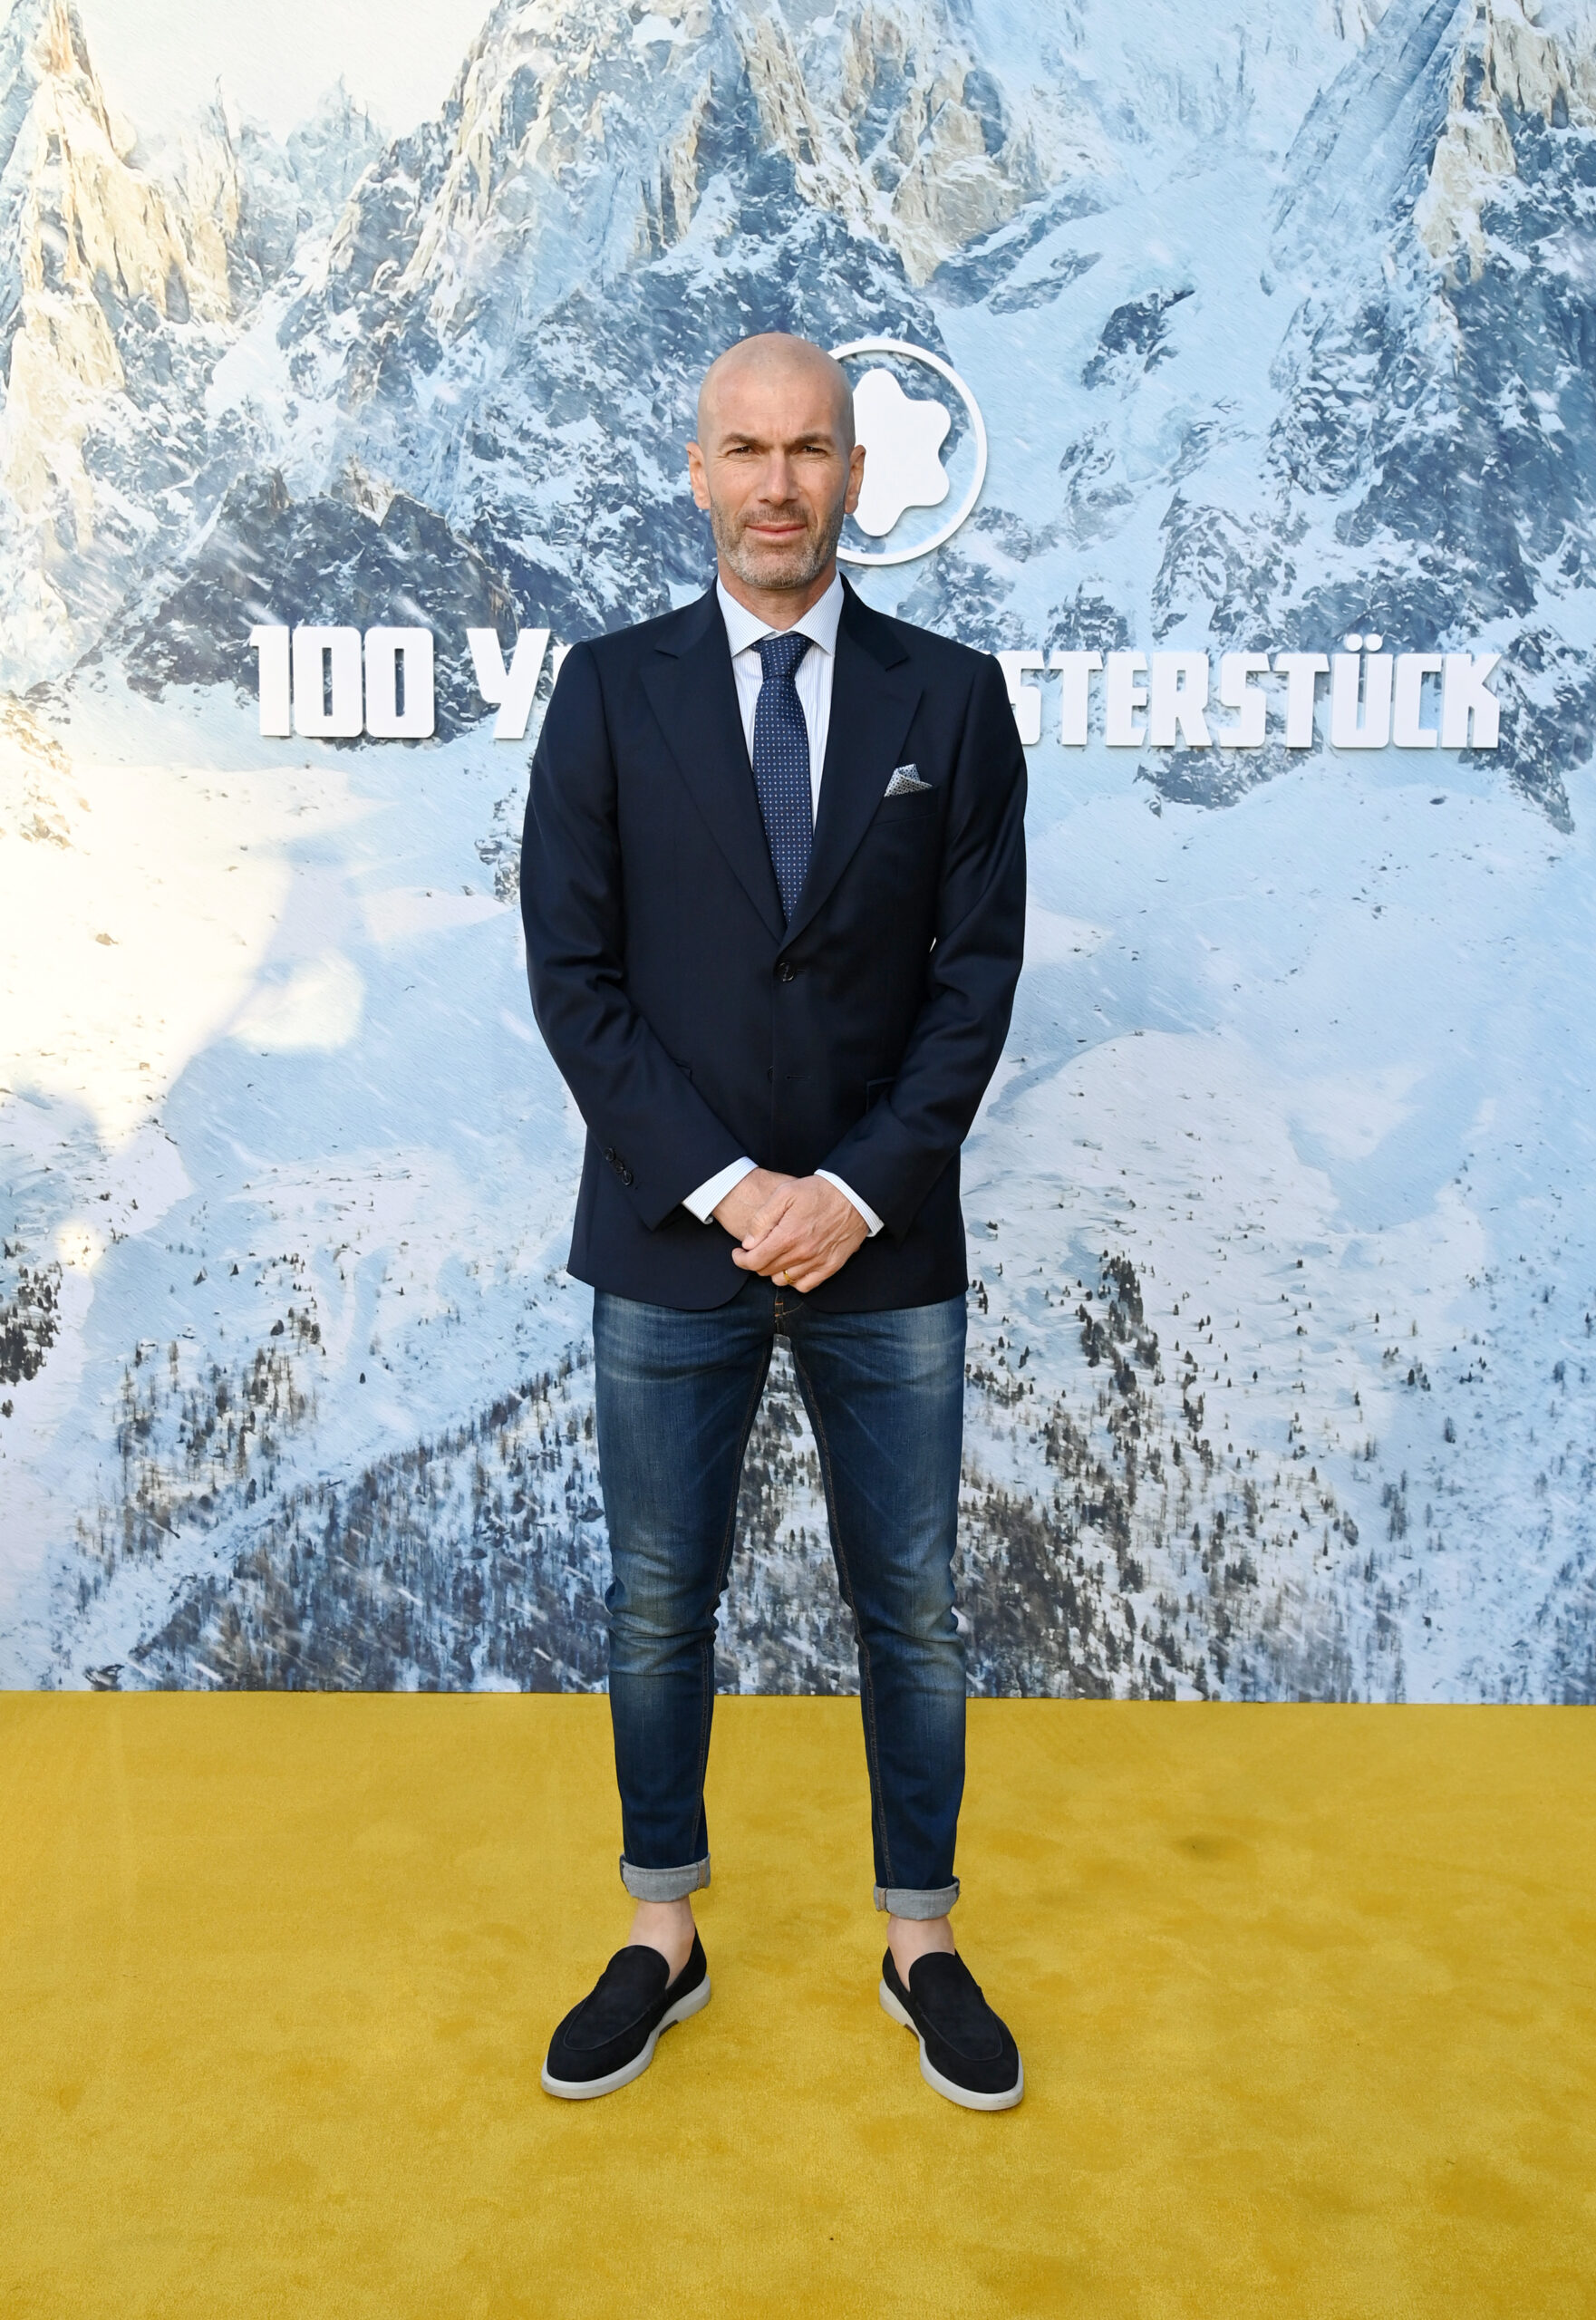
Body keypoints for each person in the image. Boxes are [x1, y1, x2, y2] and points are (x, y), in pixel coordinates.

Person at [521, 332, 1027, 2111]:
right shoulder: (606, 691)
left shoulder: (949, 698)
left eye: (808, 449)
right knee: (660, 1599)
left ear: (856, 476)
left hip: (888, 1241)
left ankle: (919, 1939)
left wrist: (855, 1190)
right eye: (743, 448)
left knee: (915, 1606)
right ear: (696, 469)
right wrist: (736, 1189)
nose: (777, 483)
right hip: (673, 1239)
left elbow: (972, 985)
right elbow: (574, 979)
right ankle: (662, 1928)